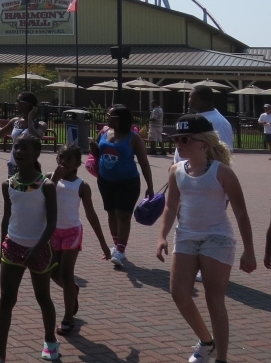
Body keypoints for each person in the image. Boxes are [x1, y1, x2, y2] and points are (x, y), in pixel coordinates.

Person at [157, 114, 257, 363]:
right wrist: (162, 236)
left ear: (203, 143)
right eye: (176, 139)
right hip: (186, 236)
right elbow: (171, 207)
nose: (178, 144)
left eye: (184, 139)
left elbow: (241, 213)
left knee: (214, 299)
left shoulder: (222, 172)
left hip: (217, 237)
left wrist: (249, 250)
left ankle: (221, 358)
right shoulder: (176, 171)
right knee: (179, 293)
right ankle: (206, 341)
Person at [0, 133, 60, 363]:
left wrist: (38, 247)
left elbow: (52, 222)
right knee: (6, 299)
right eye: (16, 148)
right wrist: (1, 244)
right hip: (12, 246)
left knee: (43, 297)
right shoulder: (8, 184)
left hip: (39, 249)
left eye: (24, 148)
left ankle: (50, 341)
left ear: (36, 154)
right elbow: (7, 217)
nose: (18, 152)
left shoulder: (47, 185)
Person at [49, 143, 111, 336]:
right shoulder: (50, 179)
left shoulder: (81, 185)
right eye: (61, 158)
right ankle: (73, 291)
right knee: (52, 273)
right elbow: (41, 198)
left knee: (66, 274)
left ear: (77, 162)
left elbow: (91, 214)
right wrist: (53, 179)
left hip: (71, 232)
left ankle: (68, 318)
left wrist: (104, 244)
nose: (64, 162)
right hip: (52, 231)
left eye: (69, 159)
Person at [89, 105, 155, 268]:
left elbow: (144, 163)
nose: (106, 117)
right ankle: (117, 245)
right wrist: (94, 149)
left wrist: (150, 186)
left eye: (110, 115)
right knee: (111, 213)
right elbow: (99, 154)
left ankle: (120, 249)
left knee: (123, 215)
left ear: (119, 119)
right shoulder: (104, 133)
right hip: (105, 180)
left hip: (128, 182)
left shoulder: (134, 138)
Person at [174, 86, 234, 163]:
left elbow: (223, 154)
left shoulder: (219, 122)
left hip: (201, 172)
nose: (188, 100)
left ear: (198, 100)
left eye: (190, 97)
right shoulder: (195, 118)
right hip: (182, 170)